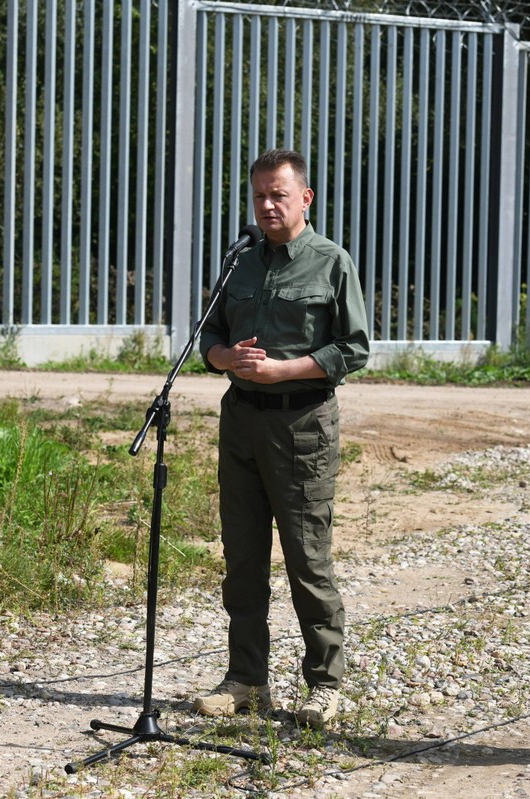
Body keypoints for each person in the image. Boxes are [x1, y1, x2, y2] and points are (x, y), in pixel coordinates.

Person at [192, 148, 369, 729]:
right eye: (259, 195)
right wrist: (226, 357)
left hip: (301, 425)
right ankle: (246, 679)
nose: (267, 205)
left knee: (306, 557)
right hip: (241, 419)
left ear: (305, 199)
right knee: (242, 558)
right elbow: (209, 336)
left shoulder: (330, 263)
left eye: (279, 195)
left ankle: (324, 684)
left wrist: (283, 369)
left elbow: (354, 349)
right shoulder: (240, 262)